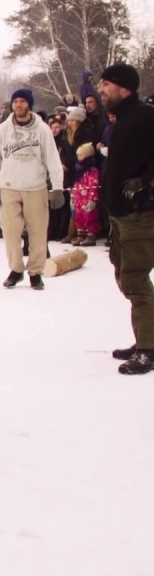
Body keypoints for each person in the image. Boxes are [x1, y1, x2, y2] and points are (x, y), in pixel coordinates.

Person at [96, 64, 154, 374]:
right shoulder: (122, 118)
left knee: (136, 279)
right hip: (120, 214)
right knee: (125, 276)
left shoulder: (144, 115)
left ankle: (149, 349)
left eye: (106, 84)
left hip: (140, 214)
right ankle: (146, 337)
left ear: (124, 87)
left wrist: (144, 183)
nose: (101, 89)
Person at [0, 88, 65, 290]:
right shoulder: (2, 130)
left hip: (35, 187)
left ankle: (35, 272)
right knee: (10, 231)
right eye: (15, 102)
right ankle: (16, 269)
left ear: (29, 104)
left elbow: (53, 160)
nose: (18, 105)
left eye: (22, 101)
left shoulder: (42, 130)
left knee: (38, 232)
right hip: (9, 187)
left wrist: (57, 188)